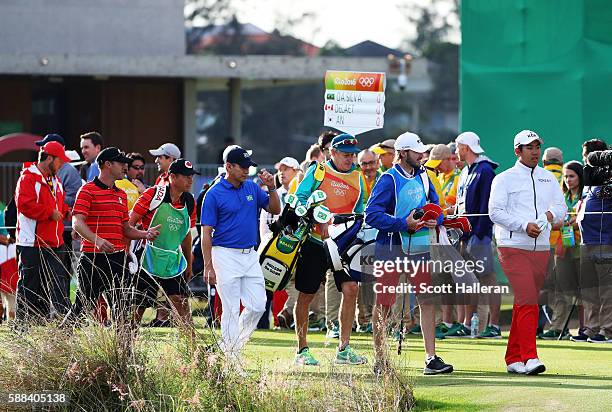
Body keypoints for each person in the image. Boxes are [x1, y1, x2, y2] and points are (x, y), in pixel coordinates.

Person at [366, 131, 453, 376]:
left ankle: (431, 358)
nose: (422, 155)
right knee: (383, 304)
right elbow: (371, 215)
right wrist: (404, 224)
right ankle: (380, 359)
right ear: (403, 153)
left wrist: (439, 219)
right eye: (417, 152)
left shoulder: (425, 177)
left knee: (427, 301)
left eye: (423, 151)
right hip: (390, 248)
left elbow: (435, 208)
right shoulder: (388, 179)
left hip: (420, 248)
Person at [489, 130, 566, 375]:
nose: (534, 151)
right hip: (512, 247)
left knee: (525, 302)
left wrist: (549, 217)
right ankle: (530, 357)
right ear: (517, 151)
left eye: (536, 147)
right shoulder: (504, 179)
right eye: (529, 147)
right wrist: (524, 225)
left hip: (541, 247)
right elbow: (495, 212)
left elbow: (561, 207)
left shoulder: (548, 178)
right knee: (528, 298)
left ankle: (513, 358)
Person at [201, 147, 280, 367]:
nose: (247, 170)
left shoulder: (252, 188)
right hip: (224, 254)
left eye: (248, 167)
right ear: (229, 166)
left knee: (258, 306)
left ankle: (230, 348)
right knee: (231, 309)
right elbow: (205, 232)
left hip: (250, 255)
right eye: (242, 167)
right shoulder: (214, 193)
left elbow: (275, 208)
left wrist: (272, 187)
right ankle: (232, 361)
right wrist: (208, 266)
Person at [293, 134, 367, 366]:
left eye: (353, 155)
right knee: (306, 294)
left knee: (351, 288)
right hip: (316, 242)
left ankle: (343, 349)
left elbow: (362, 207)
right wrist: (318, 216)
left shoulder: (359, 177)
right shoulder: (318, 171)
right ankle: (302, 350)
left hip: (344, 244)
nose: (351, 159)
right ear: (331, 152)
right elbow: (299, 200)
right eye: (346, 155)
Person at [64, 147, 160, 325]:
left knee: (122, 308)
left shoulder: (121, 194)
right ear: (107, 164)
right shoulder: (87, 190)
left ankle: (123, 351)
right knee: (80, 308)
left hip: (118, 259)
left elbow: (125, 229)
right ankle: (58, 344)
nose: (126, 166)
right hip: (93, 258)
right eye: (121, 163)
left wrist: (145, 234)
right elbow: (77, 223)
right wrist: (98, 240)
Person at [130, 159, 198, 335]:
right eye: (186, 177)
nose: (191, 180)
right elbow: (128, 224)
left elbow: (186, 235)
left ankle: (193, 352)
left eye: (192, 176)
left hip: (172, 260)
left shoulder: (189, 201)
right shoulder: (153, 195)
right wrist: (134, 245)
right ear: (172, 177)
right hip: (147, 257)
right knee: (139, 306)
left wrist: (188, 263)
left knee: (181, 303)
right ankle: (124, 347)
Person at [14, 142, 71, 325]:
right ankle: (21, 327)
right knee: (29, 286)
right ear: (49, 159)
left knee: (59, 285)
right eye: (60, 161)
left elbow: (60, 206)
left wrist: (68, 212)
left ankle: (61, 325)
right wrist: (49, 213)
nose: (62, 165)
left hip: (55, 243)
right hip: (31, 243)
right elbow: (24, 205)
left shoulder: (56, 180)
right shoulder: (28, 178)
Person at [454, 132, 502, 339]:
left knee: (488, 280)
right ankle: (468, 323)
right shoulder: (467, 170)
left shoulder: (485, 170)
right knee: (469, 280)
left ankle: (494, 326)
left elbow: (487, 207)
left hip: (480, 235)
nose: (456, 151)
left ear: (465, 148)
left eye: (458, 147)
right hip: (466, 235)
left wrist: (479, 234)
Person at [574, 138, 612, 343]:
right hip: (587, 241)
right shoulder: (591, 178)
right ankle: (591, 327)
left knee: (606, 289)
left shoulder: (608, 178)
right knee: (588, 289)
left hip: (605, 240)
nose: (584, 160)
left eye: (587, 155)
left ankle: (607, 330)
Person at [541, 161, 584, 339]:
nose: (567, 180)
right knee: (561, 289)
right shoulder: (562, 197)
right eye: (565, 176)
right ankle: (558, 327)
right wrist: (565, 223)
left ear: (580, 177)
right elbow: (555, 220)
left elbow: (581, 219)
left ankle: (586, 328)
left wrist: (568, 222)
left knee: (585, 290)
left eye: (572, 176)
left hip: (582, 248)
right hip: (563, 247)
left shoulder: (586, 197)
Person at [260, 157, 300, 329]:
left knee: (293, 284)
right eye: (280, 169)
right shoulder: (273, 192)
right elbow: (264, 220)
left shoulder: (300, 194)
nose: (282, 172)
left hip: (293, 247)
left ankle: (285, 315)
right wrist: (265, 242)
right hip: (271, 246)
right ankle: (265, 322)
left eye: (287, 169)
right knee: (266, 286)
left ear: (296, 171)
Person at [356, 149, 381, 333]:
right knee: (363, 280)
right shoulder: (356, 179)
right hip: (359, 236)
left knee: (379, 279)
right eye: (364, 164)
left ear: (378, 162)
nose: (368, 167)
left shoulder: (385, 179)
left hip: (381, 236)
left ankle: (379, 321)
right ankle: (364, 321)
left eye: (371, 162)